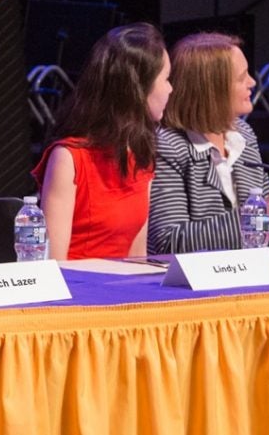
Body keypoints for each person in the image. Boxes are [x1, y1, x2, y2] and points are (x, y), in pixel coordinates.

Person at [147, 32, 269, 254]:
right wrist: (261, 213)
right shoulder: (166, 146)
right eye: (242, 78)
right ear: (212, 90)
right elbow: (167, 242)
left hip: (246, 269)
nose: (252, 82)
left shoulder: (242, 134)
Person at [33, 22, 169, 259]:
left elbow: (137, 257)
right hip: (77, 282)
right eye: (166, 79)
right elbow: (53, 264)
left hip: (123, 282)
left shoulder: (140, 154)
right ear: (138, 87)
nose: (171, 89)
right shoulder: (69, 158)